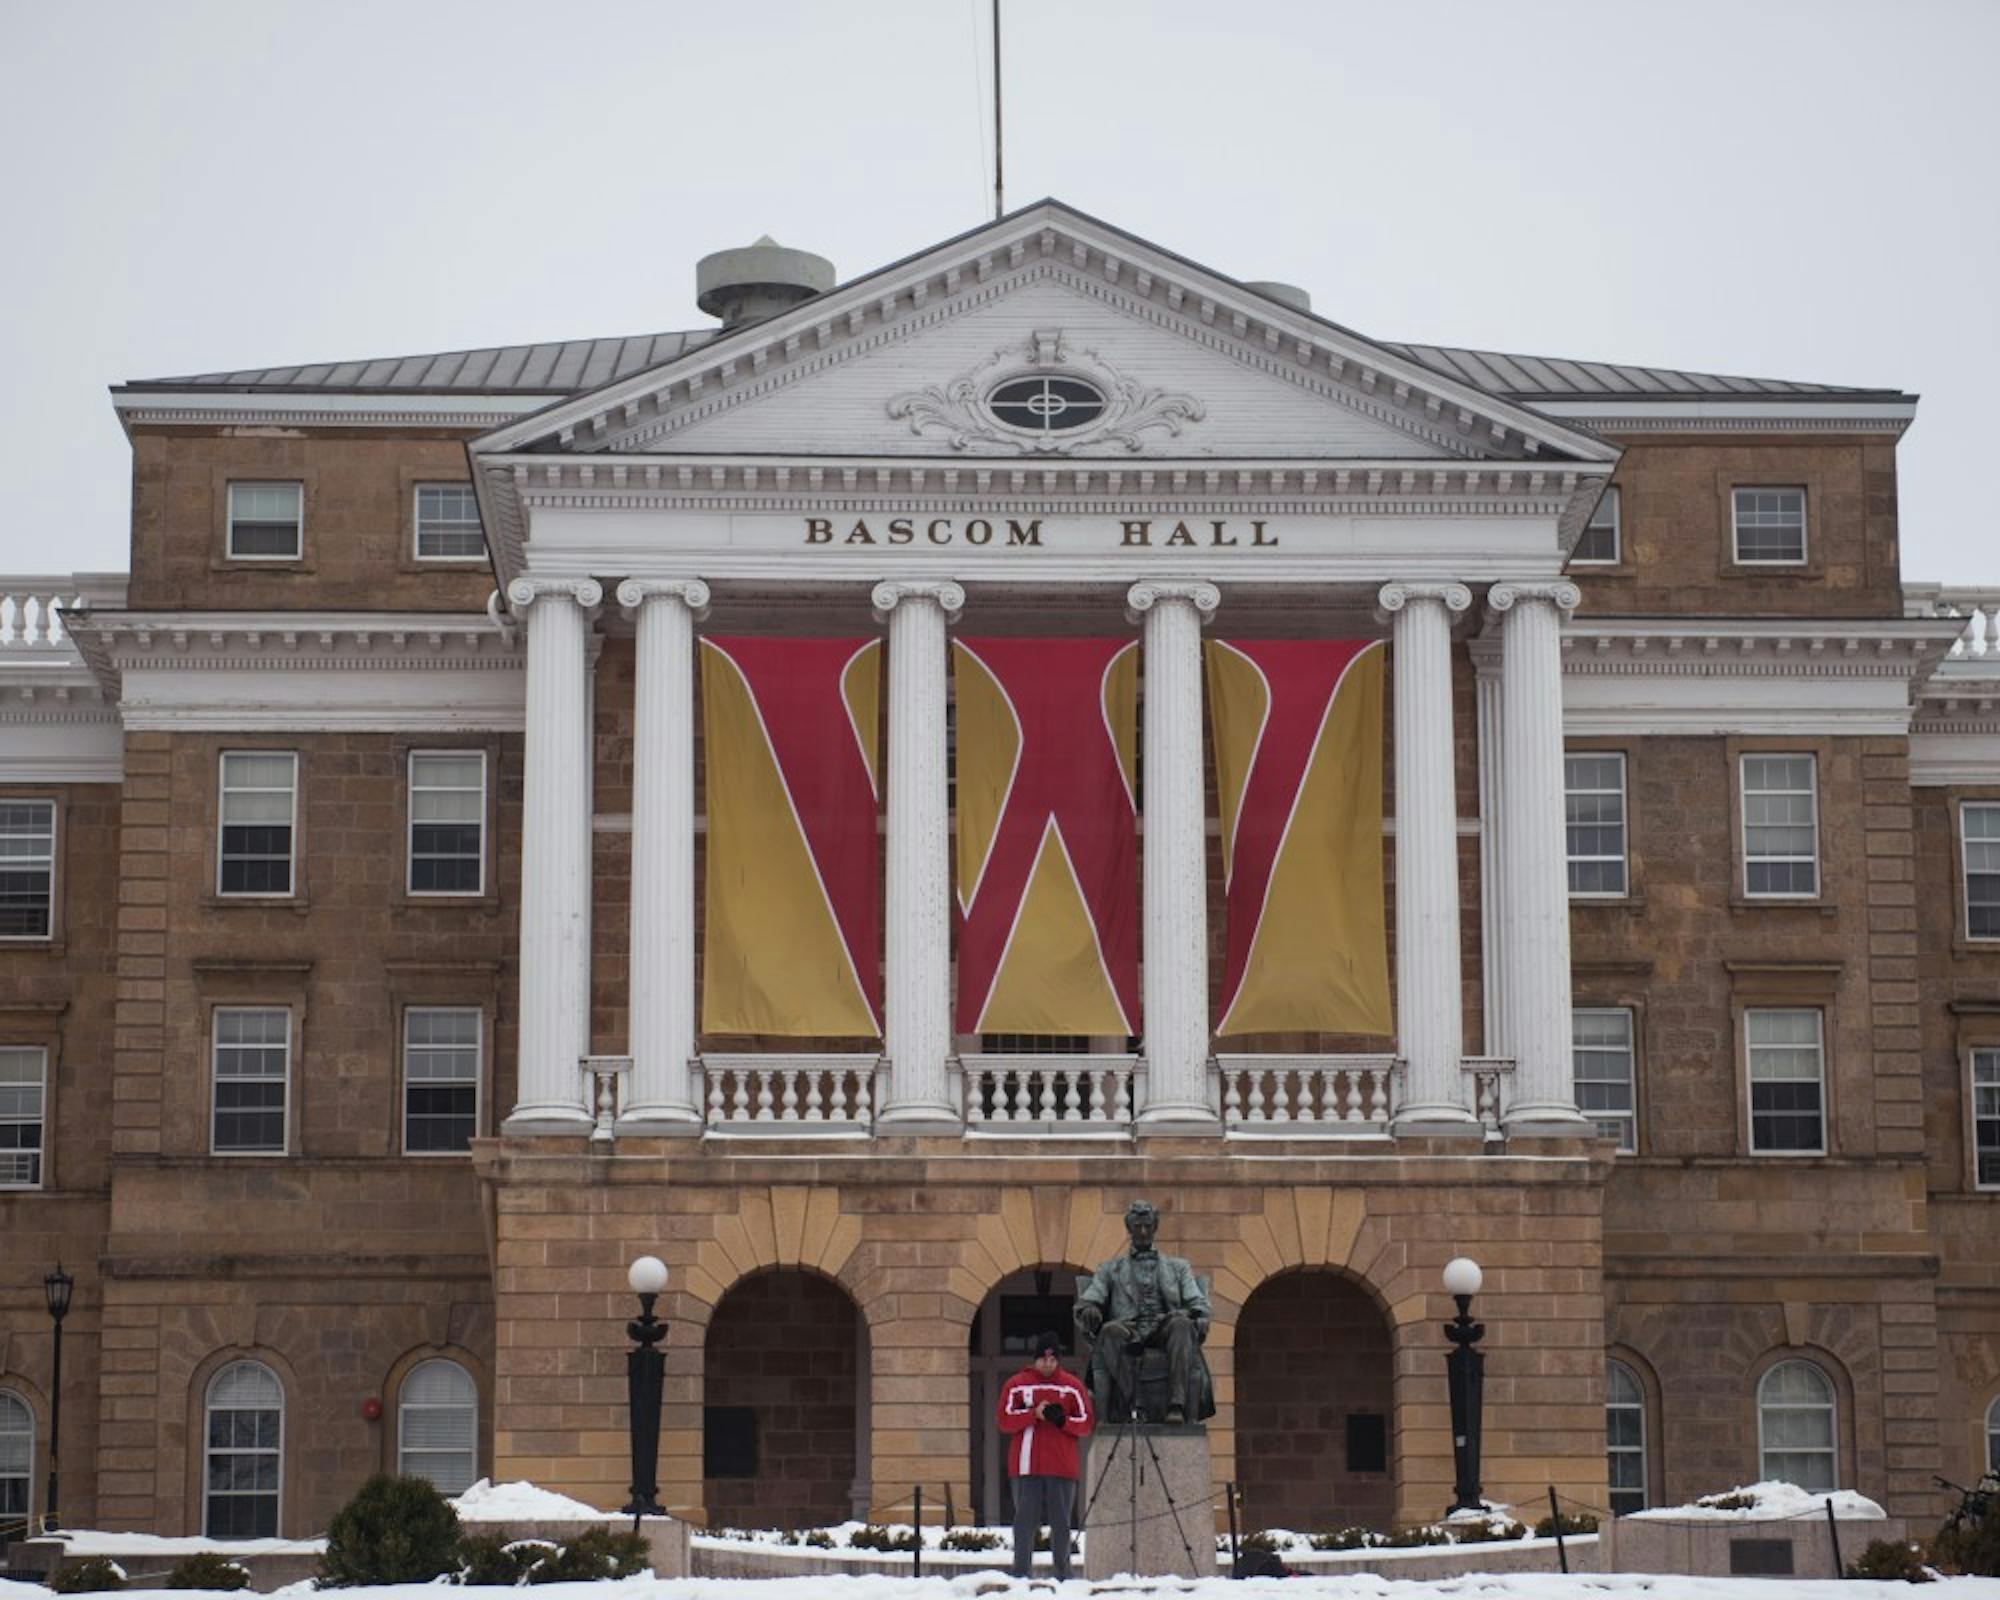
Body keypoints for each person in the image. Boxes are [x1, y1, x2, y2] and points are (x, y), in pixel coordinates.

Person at [1074, 1198, 1213, 1424]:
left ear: (1155, 1227)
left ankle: (1176, 1404)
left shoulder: (1179, 1267)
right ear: (1129, 1228)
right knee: (1109, 1332)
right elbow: (1091, 1298)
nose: (1143, 1231)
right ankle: (1135, 1403)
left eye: (1148, 1226)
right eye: (1137, 1226)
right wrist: (1090, 1310)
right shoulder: (1110, 1269)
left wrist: (1199, 1316)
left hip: (1165, 1326)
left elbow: (1197, 1301)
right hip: (1129, 1329)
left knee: (1181, 1324)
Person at [996, 1330, 1094, 1580]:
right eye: (1043, 1359)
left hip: (1061, 1466)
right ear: (1035, 1358)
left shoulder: (1072, 1387)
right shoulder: (1017, 1385)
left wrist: (1061, 1420)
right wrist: (1033, 1415)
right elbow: (1004, 1421)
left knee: (1061, 1523)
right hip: (1026, 1465)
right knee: (1025, 1523)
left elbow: (1085, 1424)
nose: (1048, 1364)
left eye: (1053, 1359)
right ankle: (1020, 1572)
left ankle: (1063, 1572)